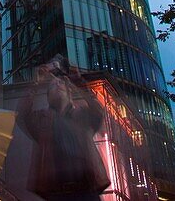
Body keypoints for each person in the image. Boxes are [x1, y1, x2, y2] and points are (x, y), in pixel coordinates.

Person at [17, 57, 110, 201]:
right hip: (56, 194)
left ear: (69, 93)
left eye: (61, 83)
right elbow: (22, 115)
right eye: (53, 85)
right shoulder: (42, 120)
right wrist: (36, 83)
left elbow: (98, 111)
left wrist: (79, 82)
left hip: (87, 192)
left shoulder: (82, 116)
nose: (58, 84)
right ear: (48, 97)